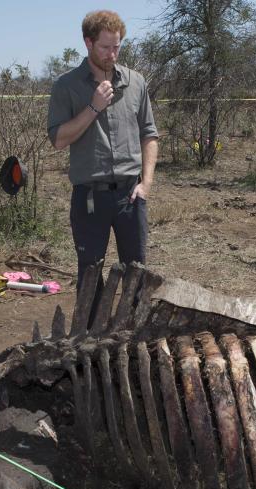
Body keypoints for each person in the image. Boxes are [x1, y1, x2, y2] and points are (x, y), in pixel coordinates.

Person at [47, 10, 159, 295]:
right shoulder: (67, 85)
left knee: (137, 272)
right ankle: (89, 335)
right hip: (90, 197)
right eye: (105, 47)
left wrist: (145, 184)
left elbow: (150, 134)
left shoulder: (135, 82)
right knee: (89, 272)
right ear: (88, 43)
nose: (112, 54)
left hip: (130, 196)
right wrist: (93, 107)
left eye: (117, 46)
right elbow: (58, 139)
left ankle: (132, 334)